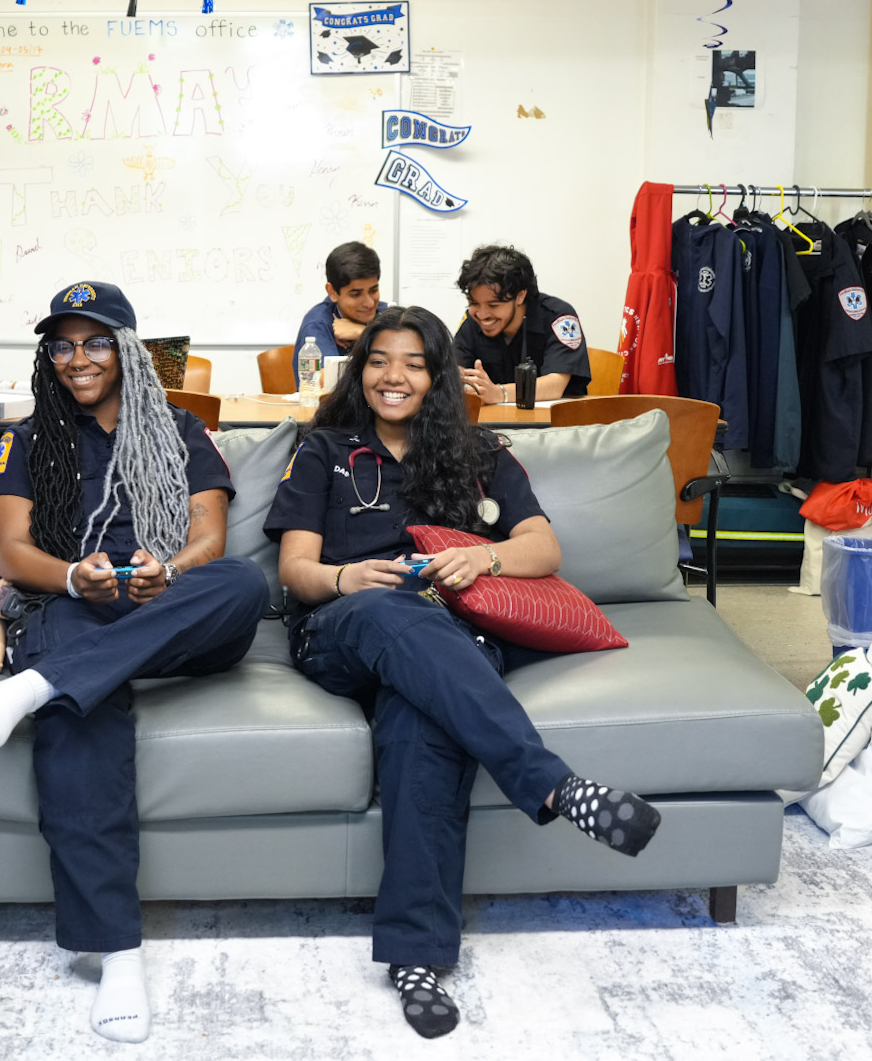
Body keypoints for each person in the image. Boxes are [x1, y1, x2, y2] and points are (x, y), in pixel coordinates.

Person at [265, 305, 660, 1040]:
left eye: (415, 363)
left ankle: (416, 959)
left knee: (423, 723)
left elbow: (543, 549)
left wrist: (485, 556)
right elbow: (295, 570)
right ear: (362, 368)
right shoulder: (324, 450)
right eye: (381, 360)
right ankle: (553, 784)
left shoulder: (479, 452)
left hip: (446, 642)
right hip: (345, 626)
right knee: (390, 610)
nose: (394, 376)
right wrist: (348, 578)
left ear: (438, 375)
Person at [0, 280, 269, 1045]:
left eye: (95, 341)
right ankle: (118, 952)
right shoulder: (30, 440)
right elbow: (14, 552)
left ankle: (41, 682)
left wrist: (169, 569)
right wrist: (73, 575)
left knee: (240, 582)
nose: (77, 359)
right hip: (77, 600)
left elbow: (211, 538)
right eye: (61, 345)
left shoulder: (181, 428)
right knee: (79, 717)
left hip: (174, 604)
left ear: (128, 349)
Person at [452, 244, 593, 403]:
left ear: (520, 296)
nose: (482, 315)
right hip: (493, 422)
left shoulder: (559, 317)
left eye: (493, 305)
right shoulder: (472, 320)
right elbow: (455, 370)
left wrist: (500, 393)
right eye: (473, 303)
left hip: (554, 423)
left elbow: (556, 384)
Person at [292, 241, 389, 357]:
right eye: (356, 294)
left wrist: (362, 332)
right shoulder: (317, 324)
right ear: (332, 292)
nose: (370, 303)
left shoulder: (386, 313)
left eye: (373, 291)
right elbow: (326, 375)